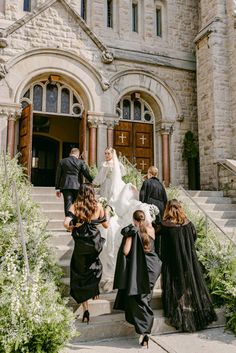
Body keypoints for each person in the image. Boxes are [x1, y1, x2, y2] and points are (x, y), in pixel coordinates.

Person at [94, 147, 157, 291]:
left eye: (108, 153)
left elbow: (102, 178)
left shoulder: (106, 166)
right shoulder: (109, 165)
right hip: (109, 187)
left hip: (113, 187)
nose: (106, 155)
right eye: (105, 153)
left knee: (113, 205)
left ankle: (111, 210)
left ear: (112, 154)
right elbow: (120, 173)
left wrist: (94, 181)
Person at [159, 199, 217, 332]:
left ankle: (179, 311)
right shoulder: (188, 224)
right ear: (180, 208)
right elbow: (194, 237)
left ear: (168, 208)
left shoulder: (165, 225)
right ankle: (192, 311)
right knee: (189, 284)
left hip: (172, 260)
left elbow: (158, 239)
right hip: (188, 260)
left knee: (175, 285)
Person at [113, 210, 161, 348]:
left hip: (141, 269)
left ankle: (145, 330)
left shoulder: (133, 233)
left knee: (138, 299)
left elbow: (126, 251)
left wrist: (128, 237)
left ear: (134, 220)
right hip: (153, 267)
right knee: (145, 296)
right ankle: (144, 330)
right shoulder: (150, 230)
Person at [64, 183, 109, 324]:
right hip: (94, 243)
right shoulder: (98, 206)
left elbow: (66, 223)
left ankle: (86, 309)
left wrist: (74, 226)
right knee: (95, 267)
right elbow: (106, 225)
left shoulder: (75, 206)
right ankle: (93, 289)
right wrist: (107, 211)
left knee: (79, 273)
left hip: (81, 245)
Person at [55, 148, 93, 216]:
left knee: (67, 204)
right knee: (77, 203)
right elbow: (86, 173)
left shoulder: (62, 161)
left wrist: (58, 188)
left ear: (70, 153)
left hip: (66, 186)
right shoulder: (80, 162)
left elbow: (58, 175)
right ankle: (76, 220)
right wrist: (92, 181)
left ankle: (69, 222)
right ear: (78, 154)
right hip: (77, 186)